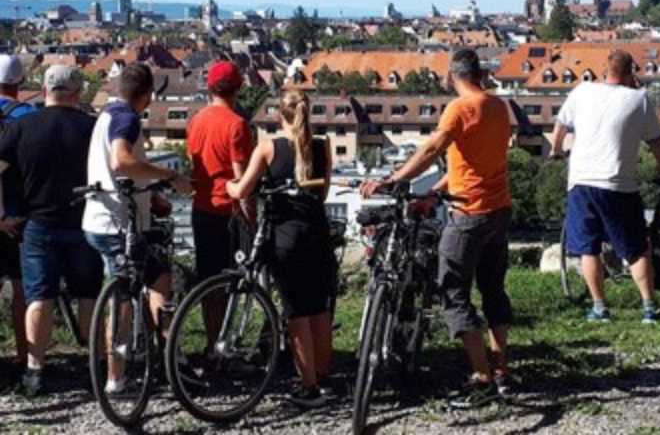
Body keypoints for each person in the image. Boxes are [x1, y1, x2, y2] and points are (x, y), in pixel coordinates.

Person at [361, 48, 513, 409]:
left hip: (469, 213)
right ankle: (501, 367)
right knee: (493, 289)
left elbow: (432, 149)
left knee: (452, 289)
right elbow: (473, 164)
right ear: (481, 74)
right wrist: (435, 191)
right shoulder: (498, 106)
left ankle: (481, 377)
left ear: (451, 76)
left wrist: (394, 179)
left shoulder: (459, 108)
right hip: (498, 208)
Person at [83, 63, 193, 393]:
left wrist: (151, 194)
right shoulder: (127, 118)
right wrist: (170, 176)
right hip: (117, 224)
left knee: (145, 280)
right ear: (146, 96)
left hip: (100, 218)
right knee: (129, 294)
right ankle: (138, 369)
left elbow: (117, 172)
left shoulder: (107, 113)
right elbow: (121, 161)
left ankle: (147, 359)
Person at [550, 50, 660, 324]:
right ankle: (648, 307)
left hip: (582, 181)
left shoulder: (582, 90)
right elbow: (656, 143)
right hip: (618, 184)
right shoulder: (639, 99)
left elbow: (560, 125)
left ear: (605, 70)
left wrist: (556, 151)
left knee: (589, 248)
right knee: (635, 248)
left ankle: (600, 308)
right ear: (631, 73)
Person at [226, 89, 335, 408]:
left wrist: (230, 185)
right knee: (319, 308)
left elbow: (242, 189)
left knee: (296, 312)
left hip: (285, 236)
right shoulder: (321, 146)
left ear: (278, 116)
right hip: (317, 232)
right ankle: (324, 374)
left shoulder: (268, 148)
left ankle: (309, 386)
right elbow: (323, 193)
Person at [0, 65, 104, 396]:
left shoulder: (22, 127)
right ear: (78, 93)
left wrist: (1, 216)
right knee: (88, 296)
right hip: (83, 223)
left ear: (44, 90)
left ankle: (34, 371)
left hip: (38, 224)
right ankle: (96, 368)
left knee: (38, 298)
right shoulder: (93, 128)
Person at [186, 60, 253, 356]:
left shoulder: (197, 120)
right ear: (237, 88)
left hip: (201, 206)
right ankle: (225, 343)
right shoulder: (236, 124)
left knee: (207, 281)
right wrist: (251, 217)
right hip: (228, 211)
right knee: (229, 283)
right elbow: (241, 179)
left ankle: (212, 341)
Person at [0, 54, 36, 377]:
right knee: (22, 289)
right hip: (21, 213)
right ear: (19, 82)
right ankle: (26, 356)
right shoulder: (29, 115)